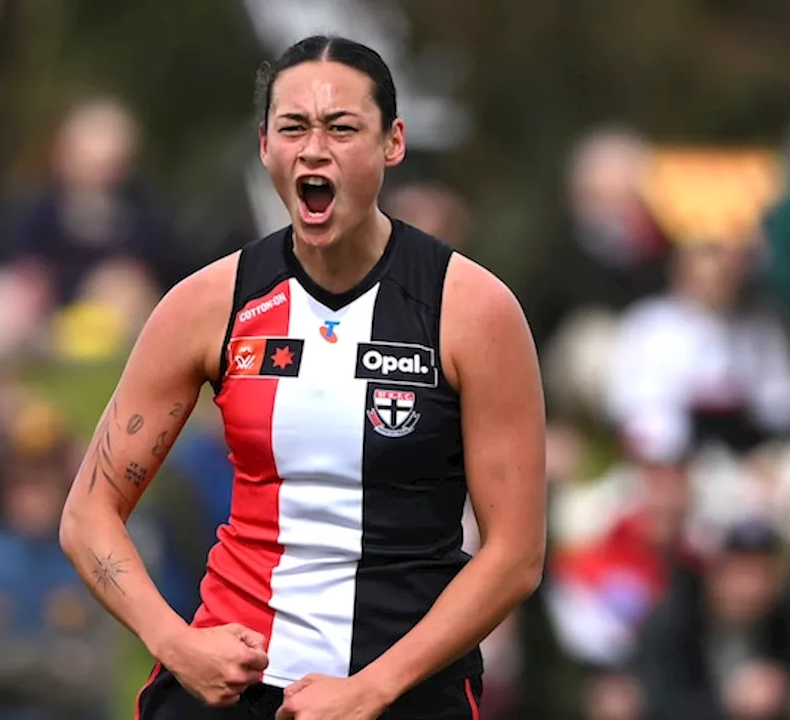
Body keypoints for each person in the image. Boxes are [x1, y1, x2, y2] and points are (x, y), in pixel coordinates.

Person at [59, 35, 547, 720]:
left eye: (342, 127)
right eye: (293, 127)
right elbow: (87, 517)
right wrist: (175, 642)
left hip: (401, 692)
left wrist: (372, 689)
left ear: (393, 143)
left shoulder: (471, 310)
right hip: (231, 690)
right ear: (265, 146)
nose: (314, 148)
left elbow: (517, 555)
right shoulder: (209, 304)